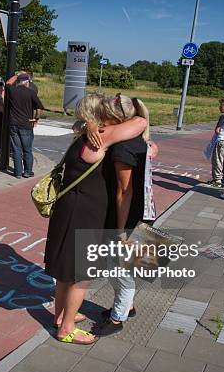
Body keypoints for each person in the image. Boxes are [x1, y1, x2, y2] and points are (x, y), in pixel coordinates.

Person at [44, 94, 148, 345]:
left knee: (64, 272)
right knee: (82, 274)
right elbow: (141, 123)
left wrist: (87, 124)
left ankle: (60, 317)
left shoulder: (81, 138)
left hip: (66, 208)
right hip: (87, 213)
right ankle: (66, 329)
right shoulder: (102, 139)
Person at [83, 94, 152, 336]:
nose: (99, 118)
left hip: (126, 219)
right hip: (134, 215)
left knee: (119, 270)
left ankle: (117, 318)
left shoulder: (123, 146)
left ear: (116, 117)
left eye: (103, 114)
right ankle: (127, 306)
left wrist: (121, 230)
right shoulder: (134, 136)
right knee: (117, 267)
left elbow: (125, 190)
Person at [5, 72, 44, 178]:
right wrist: (36, 118)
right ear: (27, 82)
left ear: (18, 82)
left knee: (16, 149)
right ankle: (27, 171)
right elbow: (39, 107)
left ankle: (17, 172)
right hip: (26, 124)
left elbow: (8, 83)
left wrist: (17, 75)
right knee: (27, 149)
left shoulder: (12, 91)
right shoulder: (31, 93)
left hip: (13, 124)